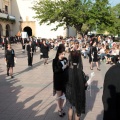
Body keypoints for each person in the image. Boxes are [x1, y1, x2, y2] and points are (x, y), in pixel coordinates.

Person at [65, 44, 86, 120]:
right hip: (78, 93)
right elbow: (85, 84)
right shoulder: (80, 72)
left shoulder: (67, 71)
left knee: (70, 109)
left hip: (69, 92)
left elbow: (65, 82)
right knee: (78, 110)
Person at [52, 44, 68, 117]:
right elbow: (55, 70)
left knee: (63, 95)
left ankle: (61, 107)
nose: (63, 55)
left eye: (64, 53)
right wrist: (63, 67)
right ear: (59, 53)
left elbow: (68, 69)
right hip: (58, 80)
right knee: (59, 95)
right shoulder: (55, 61)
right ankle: (59, 109)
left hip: (64, 80)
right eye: (62, 54)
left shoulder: (65, 59)